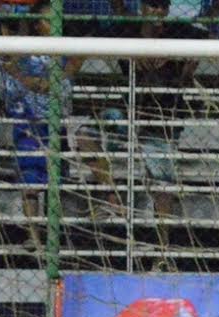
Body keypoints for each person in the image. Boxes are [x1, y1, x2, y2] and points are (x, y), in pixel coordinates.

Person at [78, 0, 206, 269]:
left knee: (162, 186)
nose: (157, 12)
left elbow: (208, 37)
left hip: (158, 122)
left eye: (162, 7)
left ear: (168, 10)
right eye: (152, 6)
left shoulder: (178, 33)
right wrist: (130, 53)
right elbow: (92, 33)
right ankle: (112, 196)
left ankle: (162, 249)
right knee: (84, 134)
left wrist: (179, 61)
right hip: (127, 114)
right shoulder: (127, 30)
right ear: (142, 9)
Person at [0, 0, 77, 253]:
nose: (52, 26)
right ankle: (33, 236)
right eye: (46, 20)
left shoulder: (63, 55)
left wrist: (38, 83)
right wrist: (30, 82)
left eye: (55, 21)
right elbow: (6, 87)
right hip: (27, 123)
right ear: (36, 24)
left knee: (54, 183)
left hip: (53, 125)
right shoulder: (22, 53)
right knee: (30, 183)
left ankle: (54, 236)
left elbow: (63, 87)